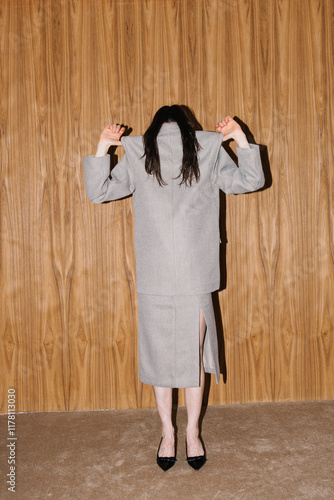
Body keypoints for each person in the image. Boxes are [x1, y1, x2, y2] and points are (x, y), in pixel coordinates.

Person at [83, 105, 265, 471]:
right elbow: (249, 181)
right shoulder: (204, 147)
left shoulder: (143, 152)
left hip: (168, 274)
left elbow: (98, 191)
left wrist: (104, 147)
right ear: (190, 129)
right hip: (177, 274)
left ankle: (172, 433)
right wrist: (239, 138)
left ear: (155, 128)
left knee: (161, 356)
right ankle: (188, 432)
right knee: (190, 355)